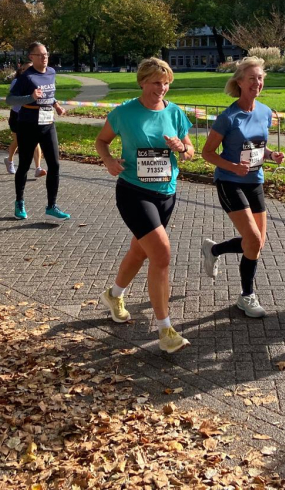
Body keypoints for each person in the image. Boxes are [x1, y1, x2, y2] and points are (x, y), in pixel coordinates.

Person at [95, 58, 195, 354]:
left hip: (167, 192)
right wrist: (110, 161)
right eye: (155, 83)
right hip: (133, 192)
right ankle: (165, 329)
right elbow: (101, 141)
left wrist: (182, 148)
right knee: (161, 255)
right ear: (142, 82)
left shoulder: (175, 112)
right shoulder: (124, 113)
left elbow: (190, 151)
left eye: (166, 83)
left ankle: (114, 295)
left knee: (140, 250)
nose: (161, 88)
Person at [200, 57, 285, 318]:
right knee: (253, 240)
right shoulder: (228, 117)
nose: (257, 83)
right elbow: (207, 153)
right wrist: (232, 166)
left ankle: (214, 250)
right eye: (252, 79)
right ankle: (246, 296)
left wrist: (271, 156)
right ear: (239, 82)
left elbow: (258, 147)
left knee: (257, 244)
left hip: (254, 181)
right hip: (230, 181)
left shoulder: (265, 112)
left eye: (260, 78)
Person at [7, 43, 69, 220]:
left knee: (55, 165)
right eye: (40, 55)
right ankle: (19, 202)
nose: (44, 58)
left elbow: (49, 93)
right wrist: (31, 98)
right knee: (25, 165)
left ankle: (52, 206)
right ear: (31, 57)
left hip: (48, 123)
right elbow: (9, 100)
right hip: (27, 124)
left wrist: (56, 105)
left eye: (46, 54)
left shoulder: (51, 72)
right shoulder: (26, 77)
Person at [5, 62, 45, 178]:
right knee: (18, 141)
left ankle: (38, 168)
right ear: (22, 70)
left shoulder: (37, 82)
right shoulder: (17, 82)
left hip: (32, 116)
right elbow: (12, 98)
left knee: (35, 141)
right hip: (17, 115)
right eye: (29, 69)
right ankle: (10, 160)